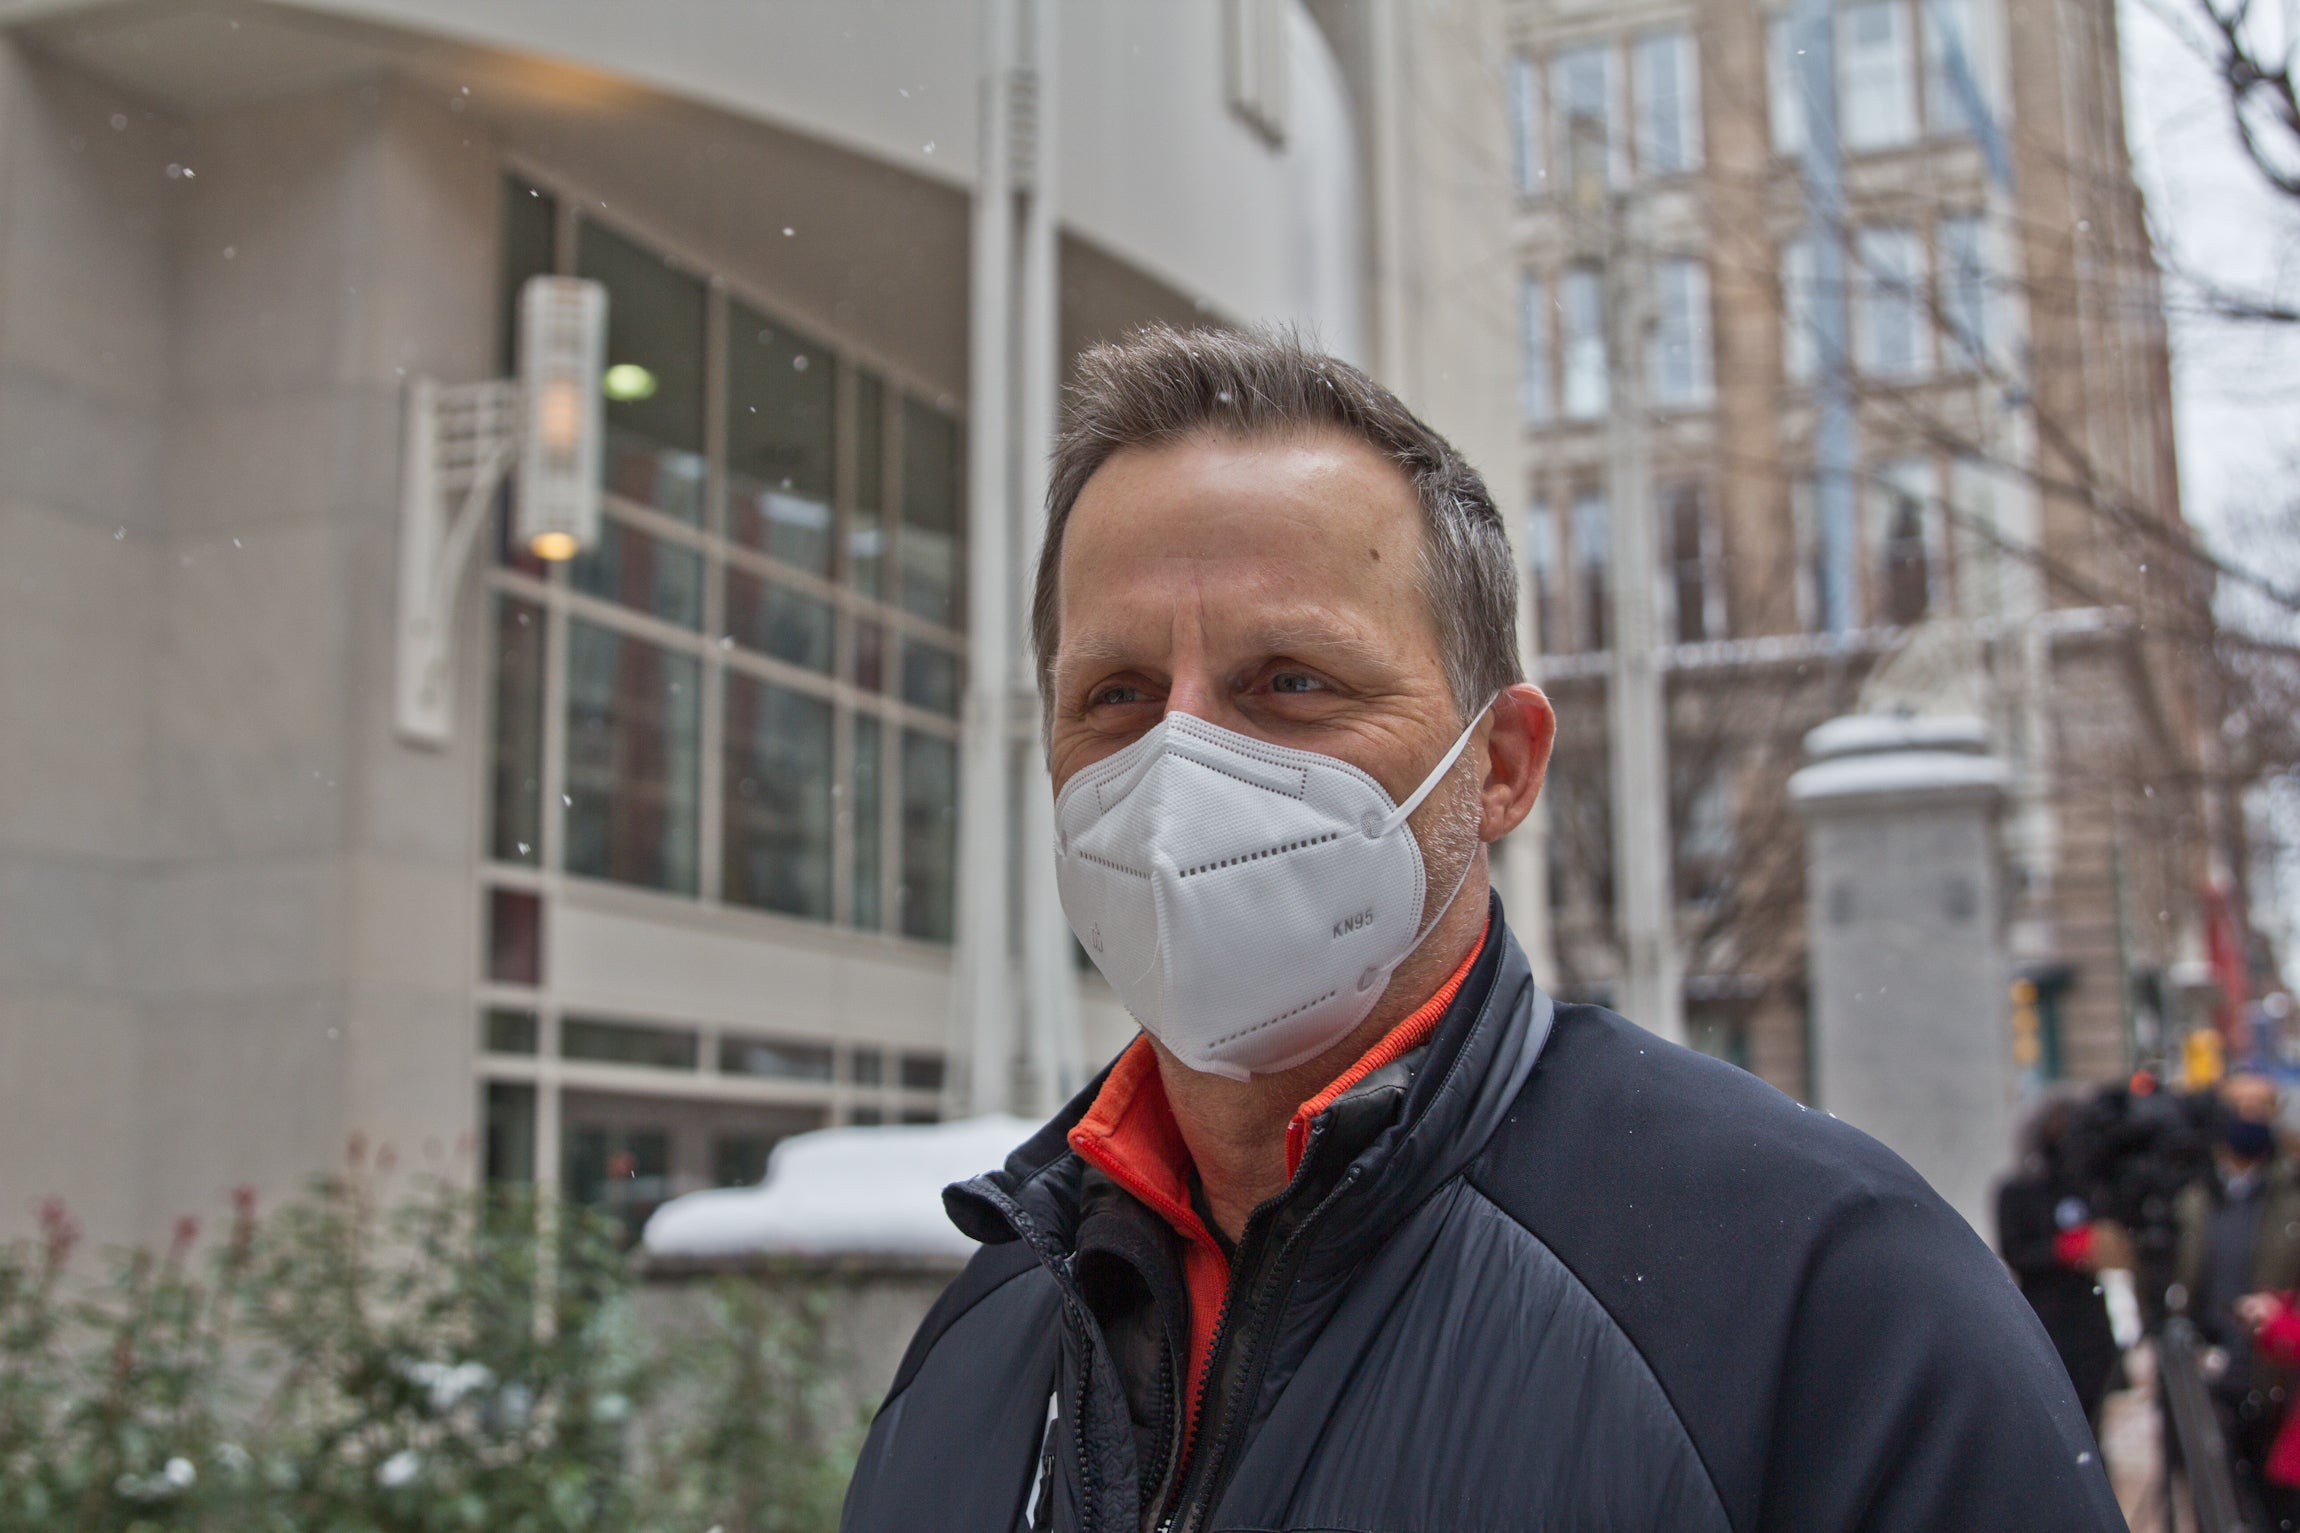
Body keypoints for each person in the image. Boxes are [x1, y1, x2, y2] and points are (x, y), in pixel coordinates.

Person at [841, 327, 2123, 1532]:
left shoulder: (1822, 1304)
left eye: (1291, 682)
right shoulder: (990, 1328)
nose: (1180, 764)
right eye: (1115, 695)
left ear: (1499, 764)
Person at [2173, 1070, 2300, 1522]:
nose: (2252, 1118)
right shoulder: (2193, 1194)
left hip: (2277, 1389)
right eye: (2241, 1107)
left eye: (2262, 1108)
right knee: (2215, 1506)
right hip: (2210, 1378)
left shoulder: (2290, 1191)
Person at [1998, 1091, 2125, 1433]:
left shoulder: (2089, 1186)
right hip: (2047, 1321)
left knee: (2093, 1425)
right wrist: (2060, 1250)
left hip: (2088, 1323)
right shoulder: (2018, 1191)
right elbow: (2015, 1251)